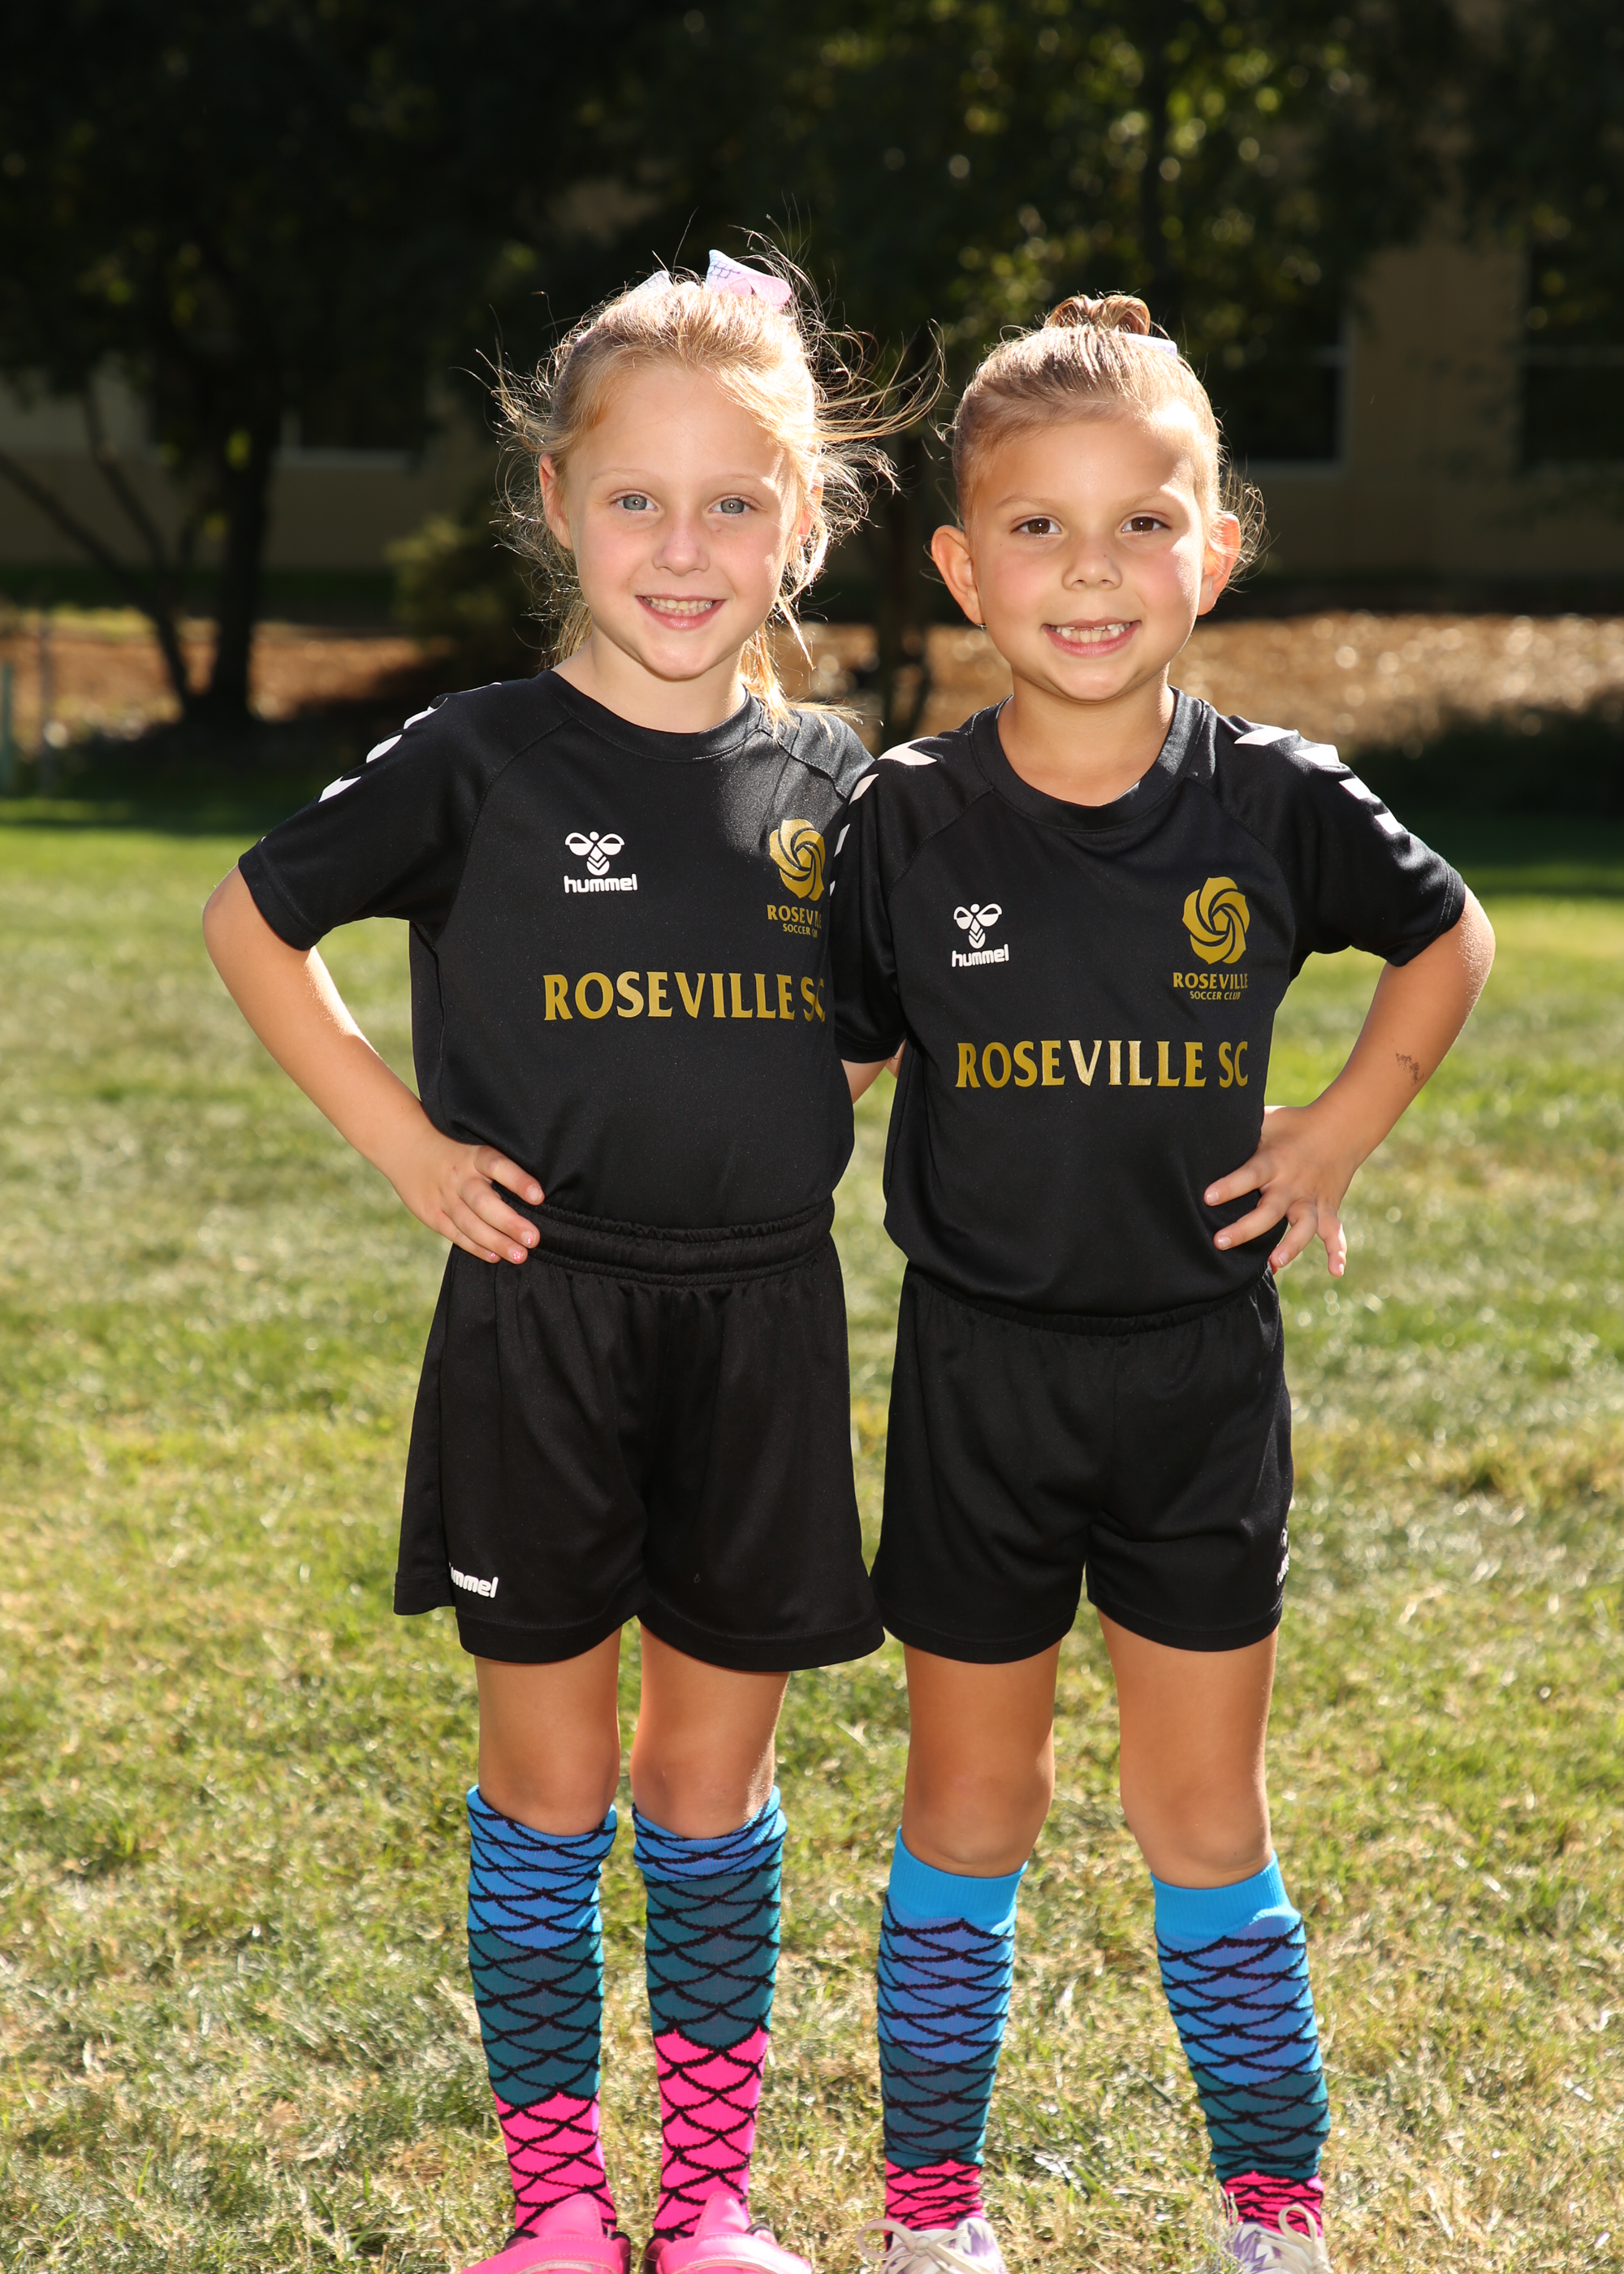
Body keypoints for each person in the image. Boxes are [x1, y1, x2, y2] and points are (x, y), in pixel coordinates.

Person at [204, 253, 918, 2274]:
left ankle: (704, 2201)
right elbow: (255, 921)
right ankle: (554, 2205)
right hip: (541, 1318)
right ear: (554, 501)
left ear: (800, 521)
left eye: (731, 502)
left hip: (763, 1320)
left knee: (708, 1780)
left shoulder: (844, 787)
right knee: (550, 1775)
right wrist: (409, 1145)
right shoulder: (477, 755)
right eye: (634, 498)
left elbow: (884, 1006)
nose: (681, 548)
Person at [831, 294, 1494, 2274]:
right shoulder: (904, 817)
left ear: (1213, 548)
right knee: (973, 1801)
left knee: (1202, 1814)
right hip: (977, 1379)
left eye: (1141, 522)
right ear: (963, 567)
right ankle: (932, 2215)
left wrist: (1341, 1123)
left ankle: (1271, 2212)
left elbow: (1446, 935)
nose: (1091, 569)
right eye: (1037, 526)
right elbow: (825, 1061)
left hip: (1199, 1380)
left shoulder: (1272, 797)